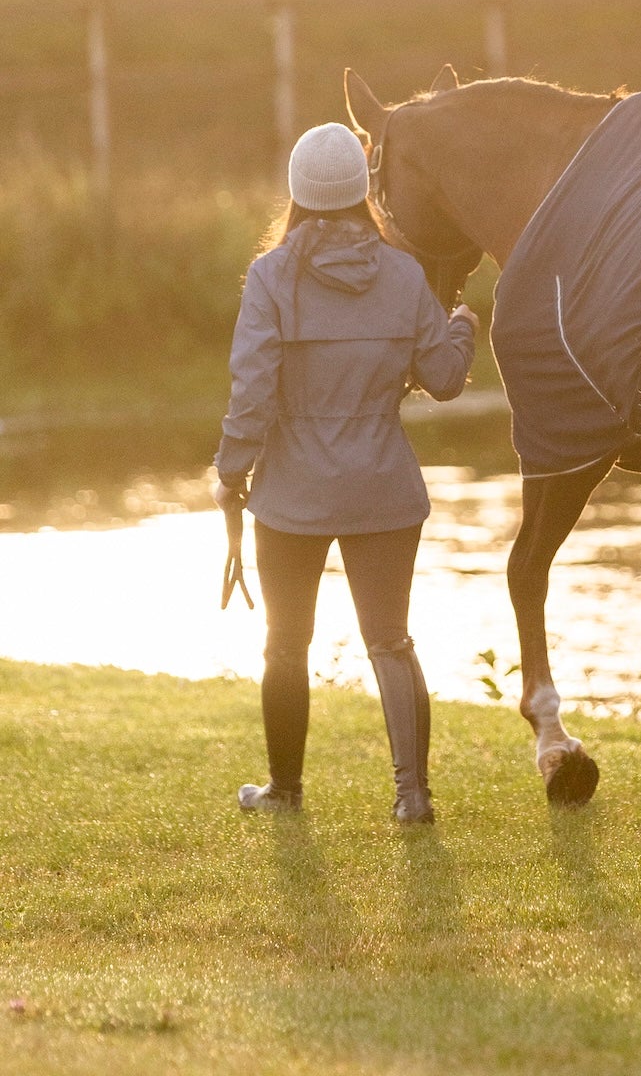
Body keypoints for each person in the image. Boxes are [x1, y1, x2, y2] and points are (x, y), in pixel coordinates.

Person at [212, 121, 477, 824]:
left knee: (285, 645)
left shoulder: (270, 277)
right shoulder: (404, 274)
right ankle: (412, 797)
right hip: (383, 486)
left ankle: (285, 792)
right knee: (391, 641)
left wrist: (231, 474)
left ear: (296, 193)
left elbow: (251, 392)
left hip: (291, 491)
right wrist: (464, 324)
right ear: (364, 192)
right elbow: (445, 379)